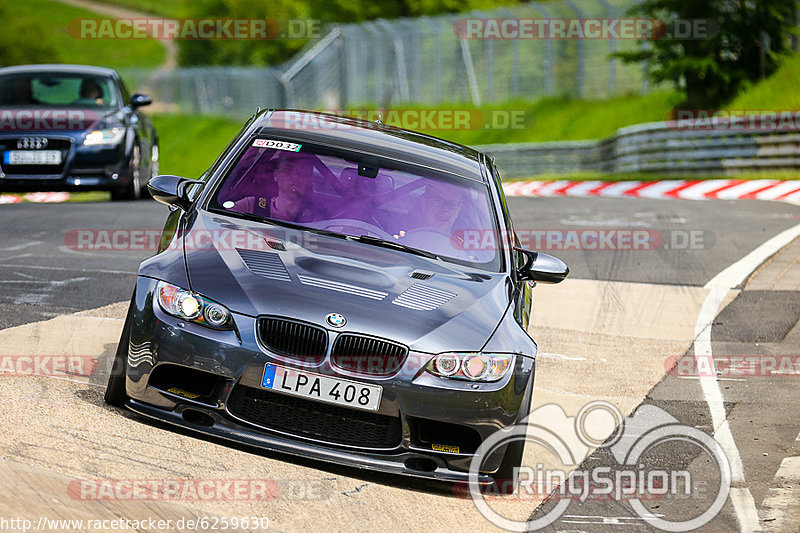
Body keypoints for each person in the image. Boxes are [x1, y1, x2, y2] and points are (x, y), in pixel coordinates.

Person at [229, 152, 315, 223]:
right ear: (276, 175)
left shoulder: (316, 219)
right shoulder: (249, 206)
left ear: (309, 180)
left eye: (302, 171)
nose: (295, 176)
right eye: (288, 170)